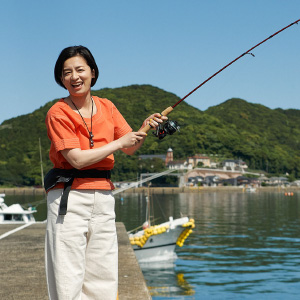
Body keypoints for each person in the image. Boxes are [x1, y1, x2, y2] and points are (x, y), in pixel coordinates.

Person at [44, 45, 167, 300]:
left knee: (104, 276)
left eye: (80, 69)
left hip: (103, 196)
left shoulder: (107, 106)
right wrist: (118, 143)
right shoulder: (58, 112)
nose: (74, 77)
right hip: (69, 197)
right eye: (67, 72)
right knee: (68, 277)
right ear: (60, 78)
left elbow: (130, 147)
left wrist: (144, 127)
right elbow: (76, 159)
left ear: (92, 72)